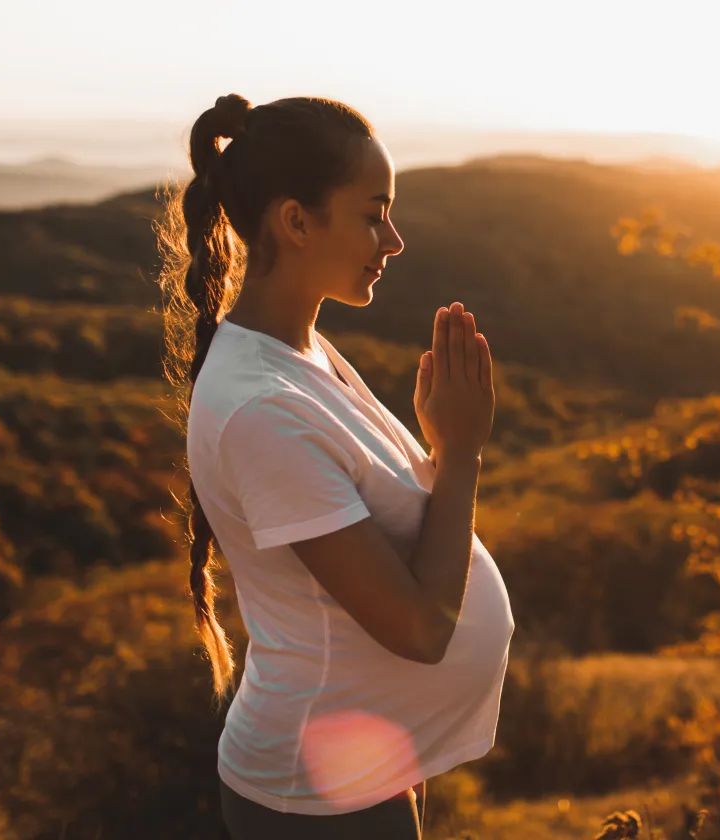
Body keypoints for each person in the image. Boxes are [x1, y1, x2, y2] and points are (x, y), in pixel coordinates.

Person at [159, 93, 515, 839]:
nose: (394, 239)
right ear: (296, 221)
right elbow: (418, 629)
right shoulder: (262, 408)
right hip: (311, 800)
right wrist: (460, 455)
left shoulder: (299, 353)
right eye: (373, 213)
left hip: (357, 765)